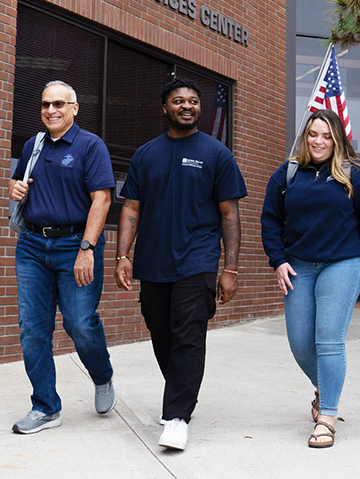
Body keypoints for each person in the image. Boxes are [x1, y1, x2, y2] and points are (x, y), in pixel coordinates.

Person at [114, 78, 246, 451]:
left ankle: (176, 417)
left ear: (199, 108)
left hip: (198, 259)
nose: (186, 106)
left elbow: (229, 215)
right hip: (153, 262)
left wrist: (229, 268)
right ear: (165, 107)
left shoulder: (217, 153)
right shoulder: (145, 155)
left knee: (188, 337)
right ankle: (179, 394)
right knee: (161, 334)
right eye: (178, 101)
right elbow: (131, 208)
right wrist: (123, 256)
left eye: (192, 101)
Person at [260, 109, 360, 448]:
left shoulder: (357, 175)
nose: (319, 141)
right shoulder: (288, 173)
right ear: (305, 137)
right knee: (300, 342)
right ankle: (325, 387)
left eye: (326, 136)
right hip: (298, 266)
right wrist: (277, 261)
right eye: (313, 134)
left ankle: (327, 419)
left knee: (328, 340)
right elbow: (270, 220)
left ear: (338, 139)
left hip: (342, 264)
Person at [8, 80, 116, 434]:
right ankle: (45, 406)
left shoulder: (90, 146)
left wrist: (87, 248)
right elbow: (17, 185)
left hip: (76, 245)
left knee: (80, 323)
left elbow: (102, 199)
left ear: (74, 108)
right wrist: (14, 188)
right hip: (33, 246)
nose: (50, 110)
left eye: (58, 104)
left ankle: (102, 375)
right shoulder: (33, 145)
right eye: (45, 105)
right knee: (33, 329)